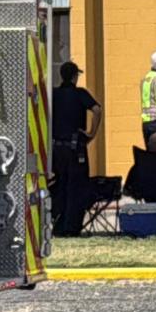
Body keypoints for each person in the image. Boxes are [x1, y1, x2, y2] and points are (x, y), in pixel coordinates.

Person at [49, 60, 100, 237]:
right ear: (74, 77)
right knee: (76, 187)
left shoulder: (53, 94)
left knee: (59, 185)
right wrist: (91, 133)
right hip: (75, 147)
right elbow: (97, 110)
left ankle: (58, 224)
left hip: (56, 149)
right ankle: (71, 226)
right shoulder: (80, 94)